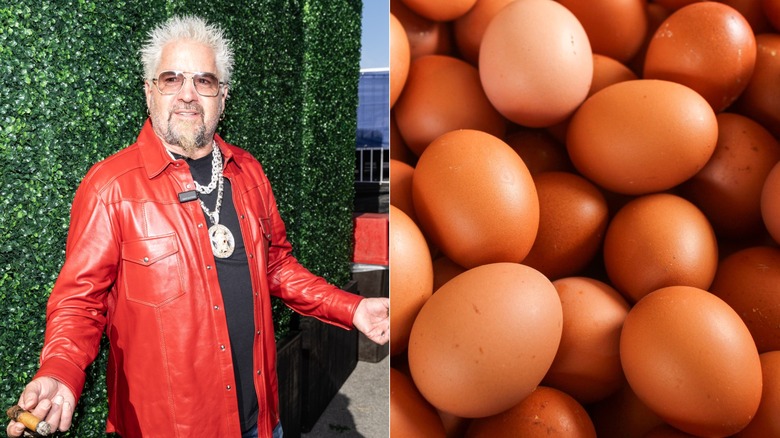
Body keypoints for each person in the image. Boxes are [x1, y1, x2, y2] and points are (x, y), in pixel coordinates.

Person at [6, 14, 389, 438]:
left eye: (204, 81)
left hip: (263, 424)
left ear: (223, 98)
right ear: (150, 91)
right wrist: (61, 369)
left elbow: (276, 267)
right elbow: (80, 302)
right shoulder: (109, 188)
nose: (188, 94)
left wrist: (351, 307)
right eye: (172, 79)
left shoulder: (249, 173)